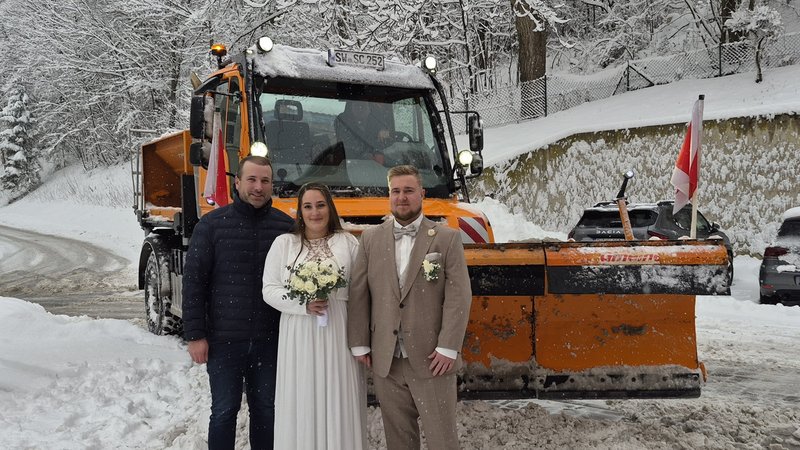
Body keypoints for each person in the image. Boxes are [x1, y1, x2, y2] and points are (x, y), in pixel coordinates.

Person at [347, 165, 472, 450]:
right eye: (396, 191)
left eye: (408, 191)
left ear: (422, 194)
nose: (401, 197)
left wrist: (448, 347)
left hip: (433, 358)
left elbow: (459, 295)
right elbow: (359, 293)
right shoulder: (370, 239)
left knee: (442, 440)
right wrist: (360, 342)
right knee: (399, 441)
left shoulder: (446, 238)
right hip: (387, 360)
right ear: (389, 195)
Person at [183, 155, 294, 450]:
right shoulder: (212, 226)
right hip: (224, 341)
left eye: (265, 181)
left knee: (266, 409)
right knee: (223, 411)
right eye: (252, 179)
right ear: (237, 182)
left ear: (272, 185)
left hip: (270, 341)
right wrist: (195, 335)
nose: (258, 187)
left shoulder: (286, 228)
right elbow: (194, 283)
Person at [261, 182, 368, 449]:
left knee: (339, 393)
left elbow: (361, 290)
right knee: (302, 393)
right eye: (307, 206)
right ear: (300, 212)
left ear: (330, 208)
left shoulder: (347, 242)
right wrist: (303, 304)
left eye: (320, 205)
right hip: (299, 332)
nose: (315, 212)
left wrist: (361, 339)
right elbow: (269, 289)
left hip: (338, 329)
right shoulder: (284, 244)